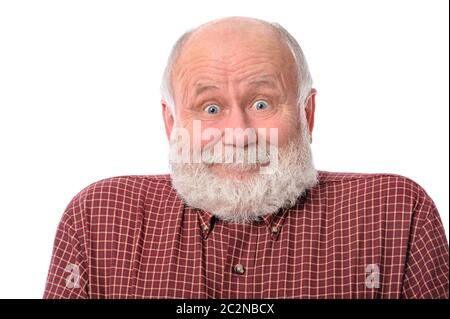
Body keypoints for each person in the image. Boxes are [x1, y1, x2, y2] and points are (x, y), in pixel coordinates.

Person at [44, 16, 448, 298]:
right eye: (210, 108)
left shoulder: (395, 213)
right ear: (171, 123)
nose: (238, 135)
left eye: (260, 103)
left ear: (307, 114)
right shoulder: (98, 218)